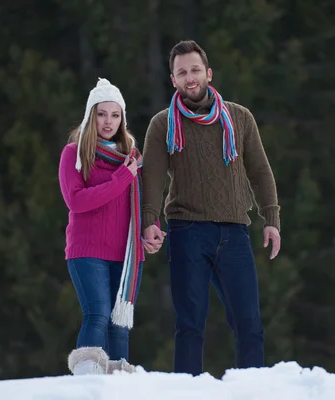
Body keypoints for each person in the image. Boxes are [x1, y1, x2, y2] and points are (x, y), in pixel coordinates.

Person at [141, 40, 282, 376]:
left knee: (249, 324)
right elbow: (153, 180)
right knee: (190, 326)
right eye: (181, 72)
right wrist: (149, 222)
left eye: (194, 70)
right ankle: (187, 394)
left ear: (208, 72)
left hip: (234, 233)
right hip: (187, 232)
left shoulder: (239, 117)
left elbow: (260, 171)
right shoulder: (163, 125)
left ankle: (253, 392)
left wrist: (271, 218)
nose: (190, 78)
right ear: (172, 79)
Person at [58, 78, 147, 375]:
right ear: (90, 115)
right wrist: (122, 178)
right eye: (101, 114)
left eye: (115, 115)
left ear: (122, 119)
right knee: (97, 314)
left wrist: (152, 227)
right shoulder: (75, 153)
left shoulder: (131, 157)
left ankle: (119, 385)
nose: (108, 121)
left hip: (125, 253)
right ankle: (87, 382)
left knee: (119, 325)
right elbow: (77, 201)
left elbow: (139, 201)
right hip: (88, 250)